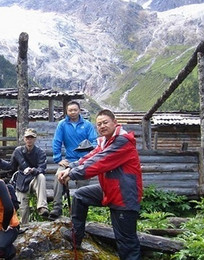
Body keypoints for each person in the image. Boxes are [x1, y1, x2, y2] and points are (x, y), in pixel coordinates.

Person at [58, 109, 143, 260]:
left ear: (115, 123)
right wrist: (72, 166)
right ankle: (76, 236)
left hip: (124, 196)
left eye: (105, 122)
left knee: (126, 243)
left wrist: (72, 174)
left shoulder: (122, 141)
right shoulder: (104, 141)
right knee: (80, 195)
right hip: (110, 190)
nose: (102, 126)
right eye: (99, 124)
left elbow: (99, 162)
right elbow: (91, 156)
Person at [49, 100, 98, 220]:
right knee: (58, 176)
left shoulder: (87, 125)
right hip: (69, 160)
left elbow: (94, 142)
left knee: (83, 186)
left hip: (84, 161)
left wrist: (89, 158)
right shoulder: (62, 125)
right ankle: (57, 207)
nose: (73, 112)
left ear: (79, 110)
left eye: (75, 110)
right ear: (66, 111)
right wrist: (58, 158)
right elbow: (57, 141)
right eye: (70, 110)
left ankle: (80, 212)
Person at [0, 128, 49, 224]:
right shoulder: (18, 151)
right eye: (27, 137)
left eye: (31, 137)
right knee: (23, 209)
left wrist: (33, 170)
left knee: (41, 177)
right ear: (24, 139)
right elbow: (10, 166)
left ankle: (42, 207)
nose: (29, 140)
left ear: (35, 139)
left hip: (35, 179)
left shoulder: (40, 152)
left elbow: (42, 168)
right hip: (22, 181)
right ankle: (23, 226)